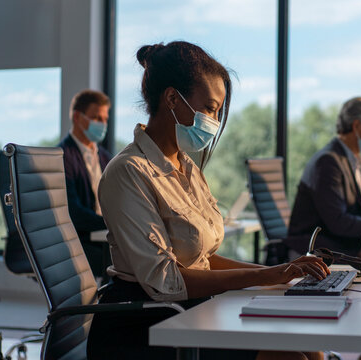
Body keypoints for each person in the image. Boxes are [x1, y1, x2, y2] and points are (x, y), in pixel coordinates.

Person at [86, 41, 329, 360]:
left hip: (192, 309)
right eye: (210, 108)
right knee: (291, 358)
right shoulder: (128, 172)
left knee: (312, 349)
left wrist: (279, 274)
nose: (214, 121)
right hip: (143, 323)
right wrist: (265, 276)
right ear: (172, 98)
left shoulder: (187, 167)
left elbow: (204, 260)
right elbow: (166, 282)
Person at [286, 97, 361, 259]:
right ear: (356, 126)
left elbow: (359, 217)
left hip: (342, 248)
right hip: (319, 254)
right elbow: (339, 222)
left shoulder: (350, 160)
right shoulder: (328, 162)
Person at [58, 89, 112, 279]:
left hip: (104, 236)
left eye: (105, 119)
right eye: (96, 118)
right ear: (77, 117)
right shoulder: (61, 156)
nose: (102, 124)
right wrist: (112, 223)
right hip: (80, 242)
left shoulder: (105, 157)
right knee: (128, 262)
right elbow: (74, 212)